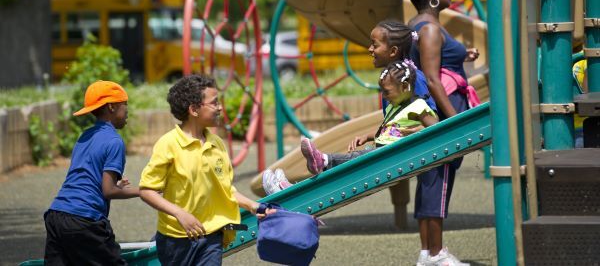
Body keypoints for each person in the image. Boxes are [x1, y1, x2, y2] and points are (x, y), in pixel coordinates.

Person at [138, 74, 273, 266]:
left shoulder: (216, 144)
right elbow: (147, 190)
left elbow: (225, 189)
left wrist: (252, 205)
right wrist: (180, 214)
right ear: (194, 109)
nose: (220, 108)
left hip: (212, 236)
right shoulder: (168, 144)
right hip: (175, 239)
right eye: (215, 103)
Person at [263, 61, 437, 189]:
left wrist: (417, 131)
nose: (384, 96)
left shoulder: (419, 106)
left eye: (387, 91)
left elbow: (436, 128)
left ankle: (322, 160)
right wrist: (366, 136)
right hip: (382, 151)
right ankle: (293, 187)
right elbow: (386, 130)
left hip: (392, 156)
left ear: (405, 86)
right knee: (355, 159)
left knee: (359, 158)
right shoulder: (395, 107)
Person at [407, 0, 478, 266]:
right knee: (439, 179)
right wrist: (454, 123)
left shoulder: (417, 26)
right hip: (441, 115)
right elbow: (434, 81)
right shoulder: (431, 29)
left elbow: (431, 66)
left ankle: (427, 252)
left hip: (430, 113)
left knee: (431, 180)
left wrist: (461, 56)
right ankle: (437, 254)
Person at [44, 80, 139, 265]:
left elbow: (83, 176)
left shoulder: (85, 135)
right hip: (84, 220)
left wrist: (114, 185)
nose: (127, 110)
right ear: (111, 107)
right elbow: (108, 191)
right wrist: (142, 191)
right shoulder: (114, 141)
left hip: (56, 215)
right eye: (125, 104)